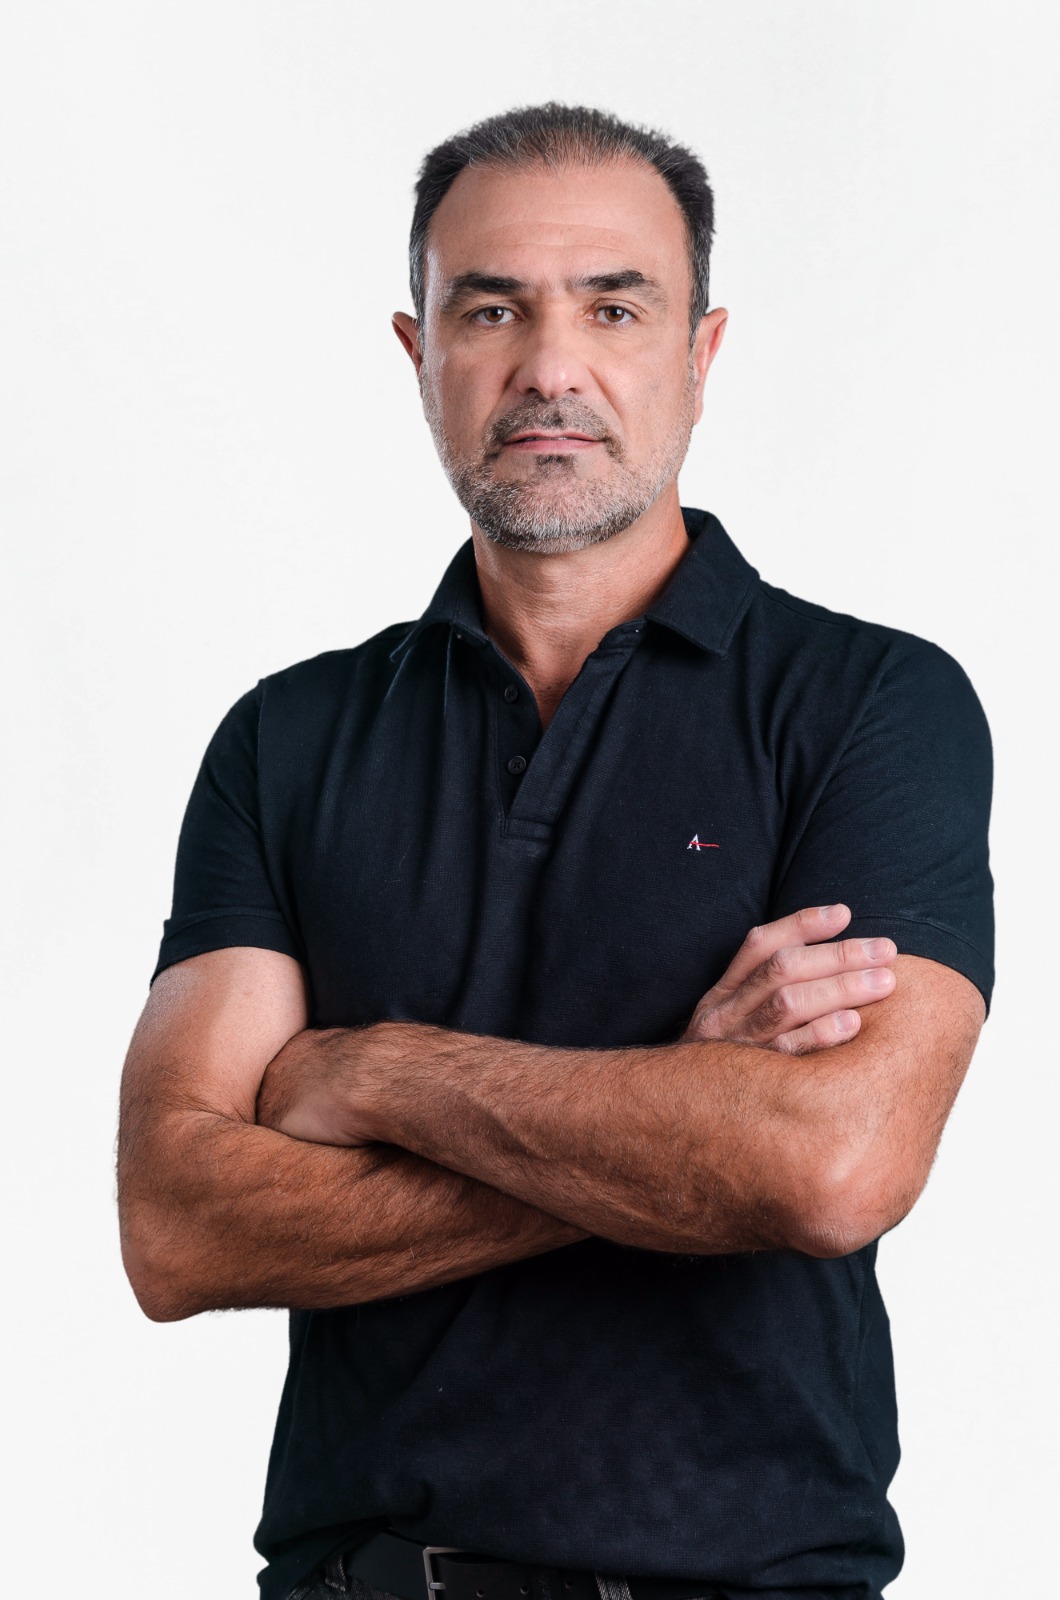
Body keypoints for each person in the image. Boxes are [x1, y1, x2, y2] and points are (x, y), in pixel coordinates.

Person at [117, 104, 993, 1600]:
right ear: (420, 353)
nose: (551, 366)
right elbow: (178, 1227)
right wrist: (687, 1110)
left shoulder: (869, 704)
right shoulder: (290, 737)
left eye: (614, 305)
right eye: (492, 308)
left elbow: (836, 1166)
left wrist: (380, 1073)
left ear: (701, 354)